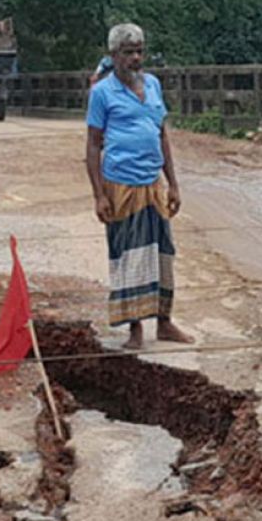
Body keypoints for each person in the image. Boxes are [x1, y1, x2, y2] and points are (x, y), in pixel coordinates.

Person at [85, 23, 193, 350]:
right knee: (129, 255)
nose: (136, 58)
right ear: (113, 56)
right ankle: (135, 329)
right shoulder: (102, 93)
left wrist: (173, 184)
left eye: (139, 51)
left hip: (153, 184)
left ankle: (164, 322)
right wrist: (99, 195)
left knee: (162, 253)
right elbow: (92, 145)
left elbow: (162, 135)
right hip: (121, 184)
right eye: (128, 52)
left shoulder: (154, 85)